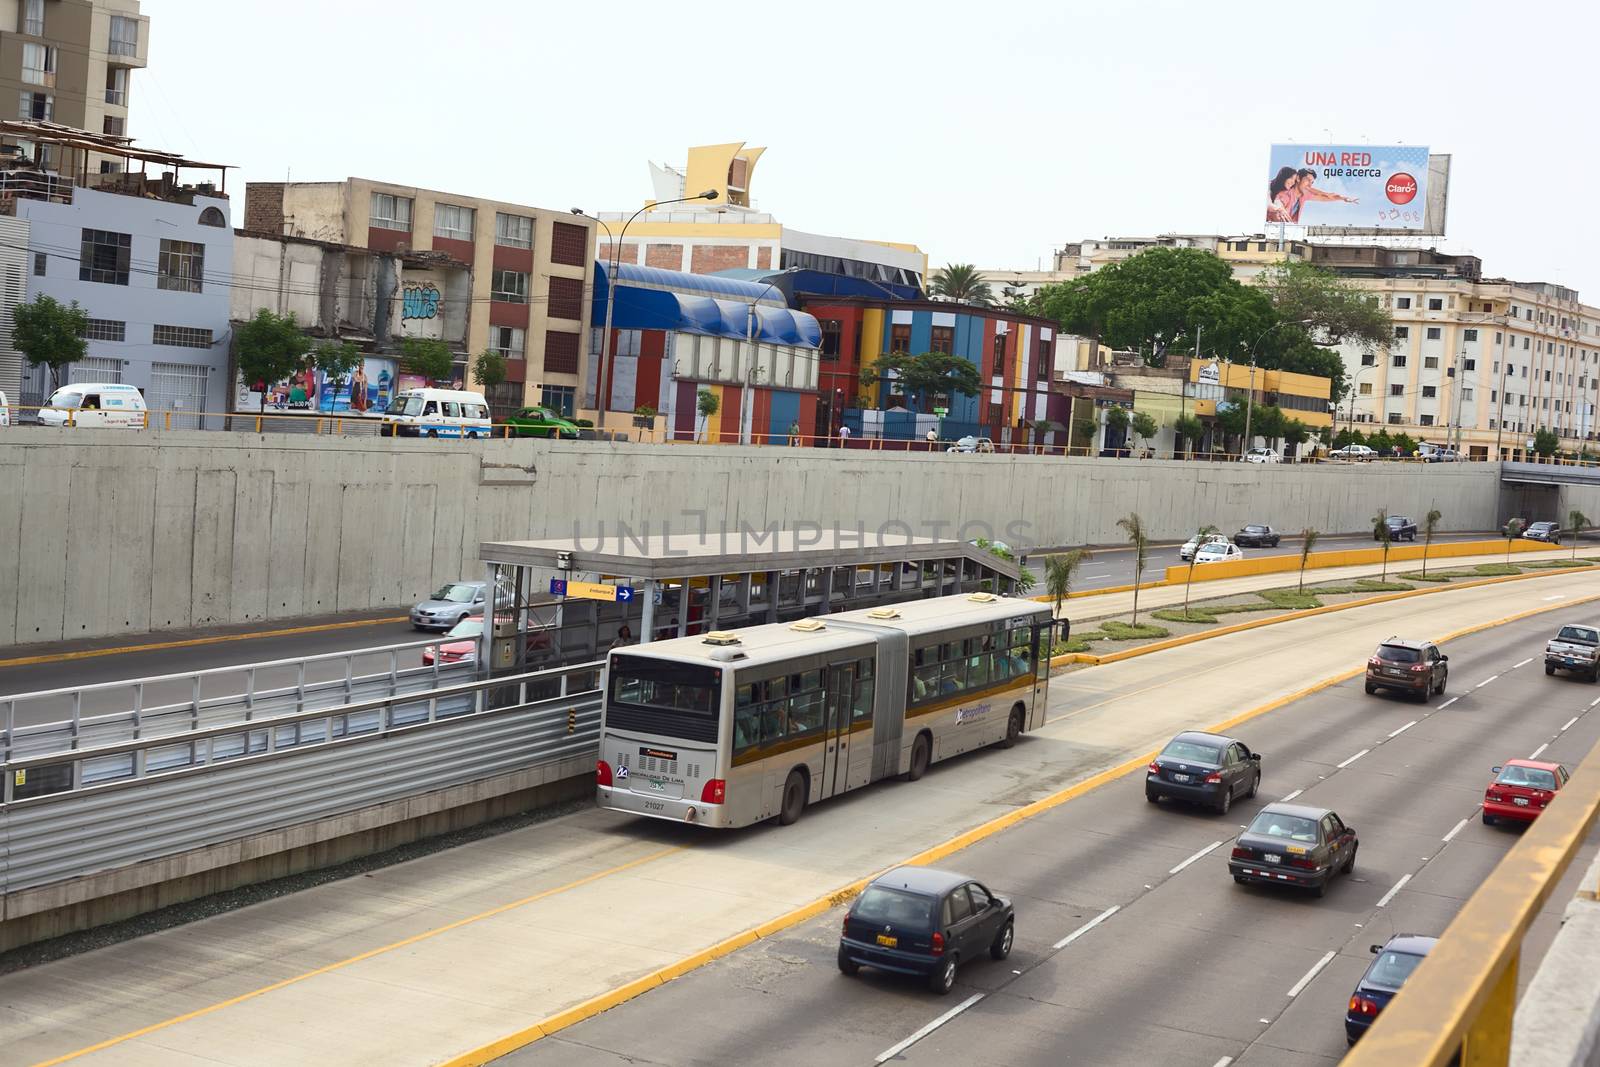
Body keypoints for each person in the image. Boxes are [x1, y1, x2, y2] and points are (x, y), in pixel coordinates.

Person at [1288, 169, 1356, 222]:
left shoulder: (1304, 195)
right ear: (1298, 178)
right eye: (1307, 180)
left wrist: (1344, 198)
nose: (1310, 185)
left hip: (1289, 226)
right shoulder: (1285, 192)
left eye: (1312, 182)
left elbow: (1326, 197)